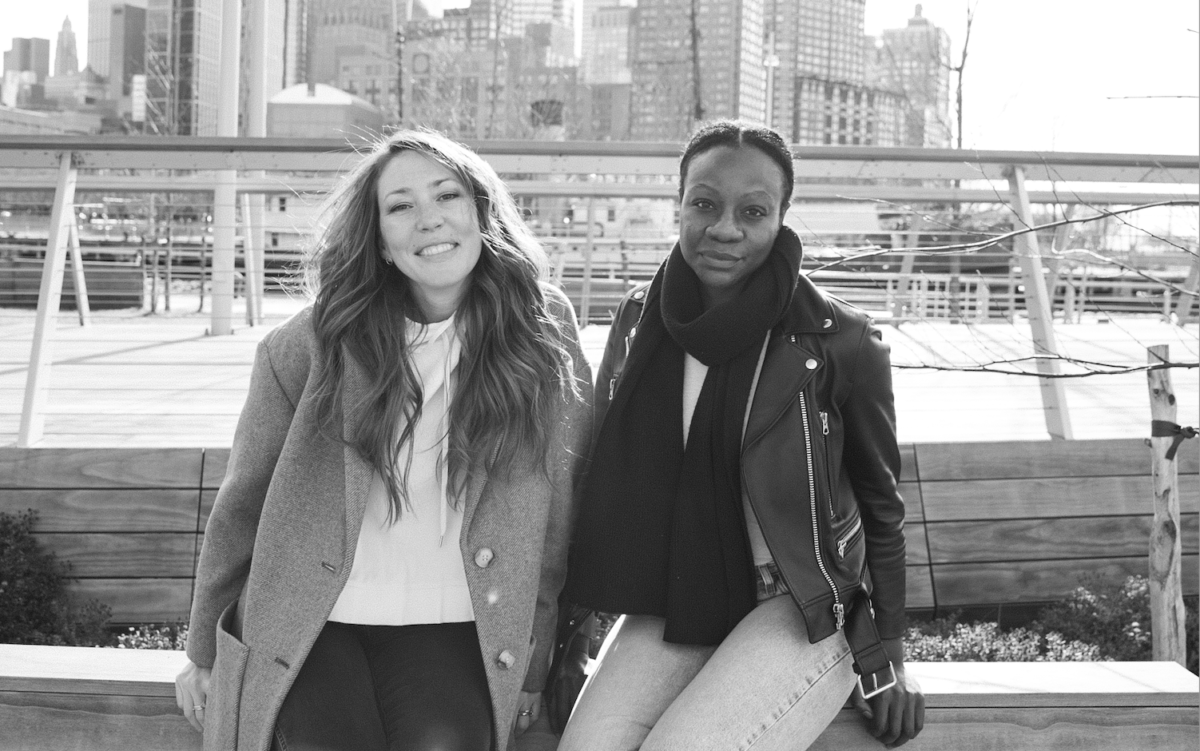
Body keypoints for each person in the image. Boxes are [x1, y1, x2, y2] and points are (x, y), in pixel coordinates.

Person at [173, 129, 593, 751]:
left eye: (446, 195)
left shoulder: (541, 331)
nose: (429, 220)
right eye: (400, 206)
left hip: (459, 619)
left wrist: (533, 658)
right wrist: (205, 648)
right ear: (381, 241)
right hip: (314, 620)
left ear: (482, 212)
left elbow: (556, 513)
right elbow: (244, 502)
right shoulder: (309, 344)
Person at [558, 120, 923, 751]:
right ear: (679, 204)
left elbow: (882, 507)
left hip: (805, 607)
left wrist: (888, 655)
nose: (725, 229)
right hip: (684, 590)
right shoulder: (641, 319)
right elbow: (607, 484)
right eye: (704, 203)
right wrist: (574, 639)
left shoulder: (840, 341)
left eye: (753, 212)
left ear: (782, 217)